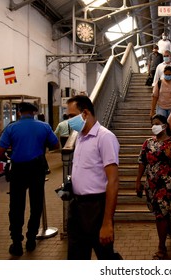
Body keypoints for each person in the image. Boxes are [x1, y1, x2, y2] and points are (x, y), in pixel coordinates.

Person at [0, 102, 59, 256]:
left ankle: (16, 243)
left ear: (19, 112)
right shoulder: (44, 126)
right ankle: (31, 239)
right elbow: (56, 145)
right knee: (36, 204)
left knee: (16, 206)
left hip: (18, 170)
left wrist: (10, 155)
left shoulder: (11, 128)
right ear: (34, 112)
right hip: (37, 169)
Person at [66, 95, 120, 260]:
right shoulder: (80, 137)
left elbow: (113, 181)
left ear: (85, 113)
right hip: (77, 206)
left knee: (105, 255)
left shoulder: (105, 137)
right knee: (76, 256)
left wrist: (107, 223)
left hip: (96, 208)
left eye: (71, 116)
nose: (69, 121)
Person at [135, 114, 171, 260]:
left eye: (157, 123)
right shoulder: (148, 143)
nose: (154, 126)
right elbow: (142, 161)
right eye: (152, 124)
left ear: (164, 126)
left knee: (160, 215)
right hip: (151, 184)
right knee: (161, 212)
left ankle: (161, 248)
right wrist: (138, 181)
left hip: (168, 184)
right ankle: (168, 229)